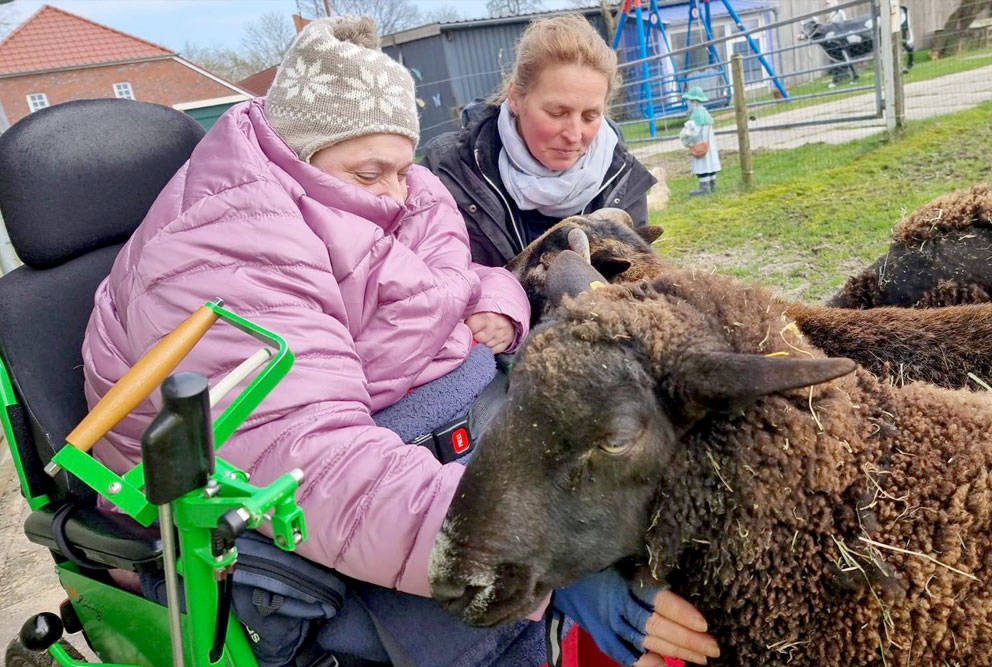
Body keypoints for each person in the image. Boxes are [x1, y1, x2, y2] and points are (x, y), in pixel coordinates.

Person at [81, 15, 718, 667]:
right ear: (298, 149)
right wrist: (551, 561)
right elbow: (312, 463)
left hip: (440, 433)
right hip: (280, 493)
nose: (395, 193)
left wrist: (500, 302)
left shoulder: (369, 192)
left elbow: (457, 274)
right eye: (370, 173)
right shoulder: (220, 256)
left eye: (400, 167)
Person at [422, 14, 658, 268]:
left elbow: (636, 282)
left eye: (590, 116)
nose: (574, 134)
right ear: (515, 97)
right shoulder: (449, 173)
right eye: (557, 113)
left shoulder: (621, 177)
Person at [678, 86, 721, 197]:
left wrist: (686, 138)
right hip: (709, 145)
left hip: (700, 144)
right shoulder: (705, 112)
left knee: (703, 165)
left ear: (693, 101)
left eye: (689, 101)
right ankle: (712, 183)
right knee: (710, 163)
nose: (687, 103)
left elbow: (694, 132)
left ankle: (704, 187)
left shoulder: (696, 114)